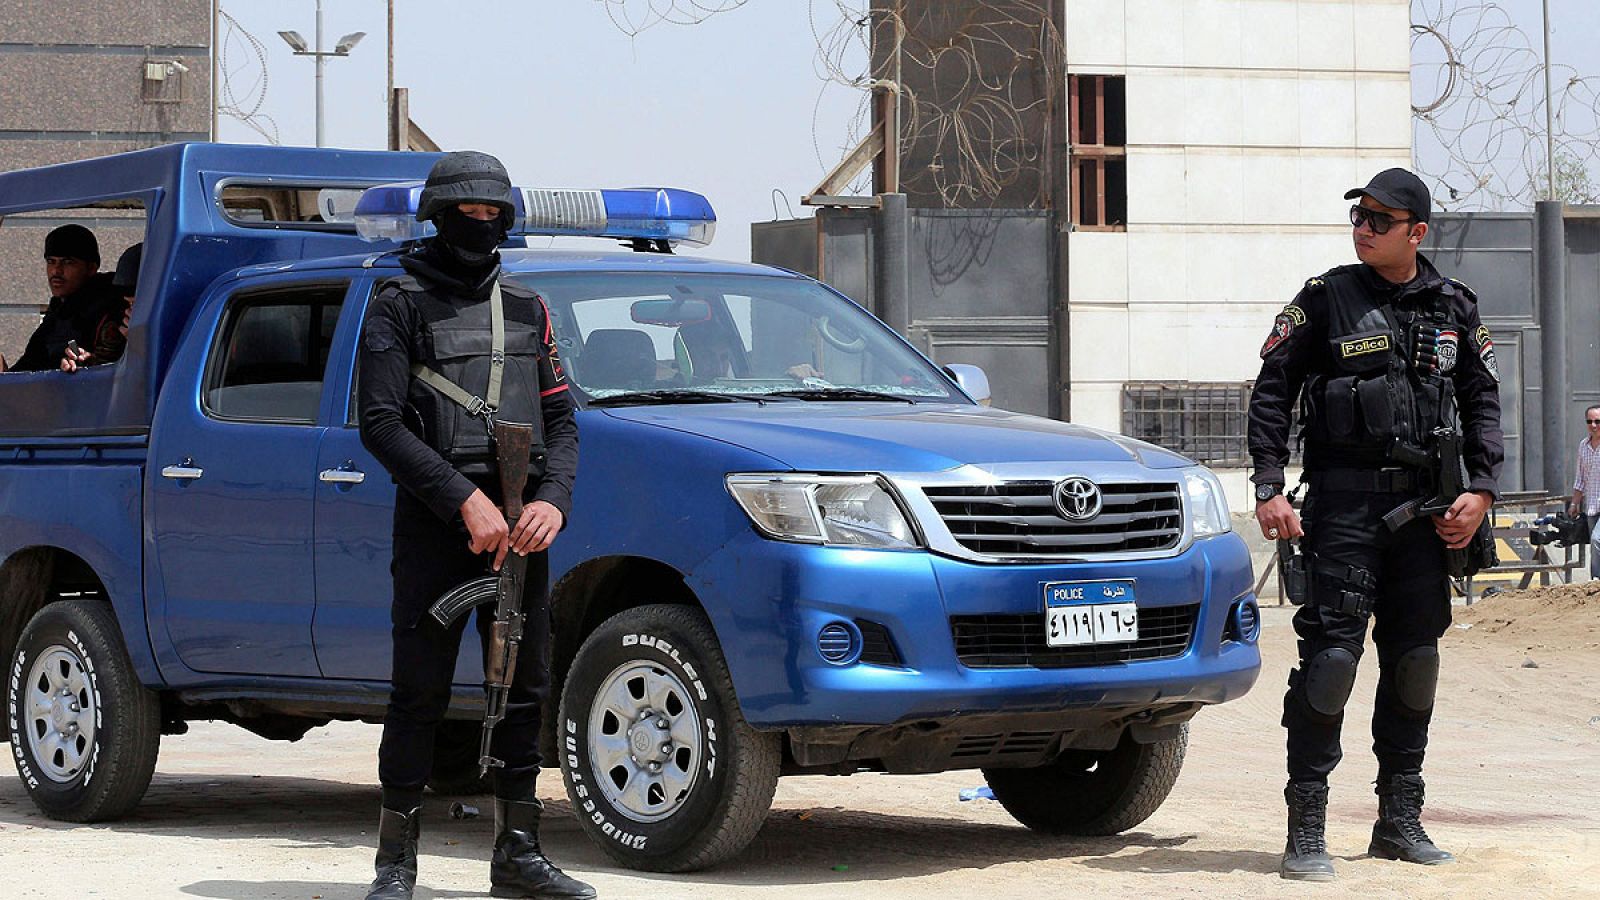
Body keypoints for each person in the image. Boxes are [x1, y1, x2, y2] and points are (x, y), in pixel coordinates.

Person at [1249, 167, 1503, 881]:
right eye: (1359, 217)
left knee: (1415, 661)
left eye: (1380, 220)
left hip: (1426, 515)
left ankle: (1399, 820)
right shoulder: (1326, 299)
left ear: (1416, 233)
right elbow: (1272, 393)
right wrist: (1271, 486)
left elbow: (1483, 398)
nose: (1363, 228)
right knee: (1330, 664)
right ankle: (1306, 829)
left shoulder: (1453, 305)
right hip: (1343, 508)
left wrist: (1480, 490)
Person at [356, 151, 591, 900]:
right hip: (439, 525)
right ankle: (395, 863)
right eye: (468, 214)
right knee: (419, 692)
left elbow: (561, 416)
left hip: (521, 524)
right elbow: (382, 424)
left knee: (527, 689)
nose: (481, 226)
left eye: (494, 215)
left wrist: (552, 499)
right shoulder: (397, 301)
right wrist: (463, 499)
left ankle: (517, 853)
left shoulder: (527, 307)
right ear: (439, 215)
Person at [6, 224, 123, 372]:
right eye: (51, 261)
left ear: (91, 268)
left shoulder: (109, 308)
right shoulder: (58, 311)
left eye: (68, 262)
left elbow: (112, 366)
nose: (56, 270)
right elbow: (30, 364)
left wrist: (89, 363)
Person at [61, 243, 140, 373]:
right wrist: (87, 363)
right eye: (129, 303)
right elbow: (107, 364)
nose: (130, 310)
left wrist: (141, 343)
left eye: (136, 303)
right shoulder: (116, 319)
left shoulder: (181, 335)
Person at [1568, 404, 1600, 578]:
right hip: (1591, 506)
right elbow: (1580, 479)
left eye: (1597, 421)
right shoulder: (1583, 446)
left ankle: (1596, 581)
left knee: (1597, 539)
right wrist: (1574, 503)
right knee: (1594, 545)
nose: (1593, 425)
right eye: (1590, 421)